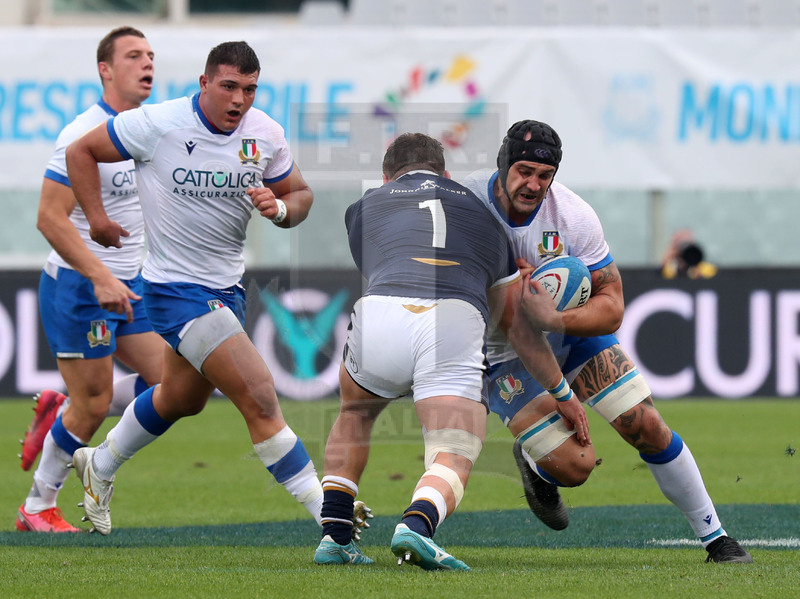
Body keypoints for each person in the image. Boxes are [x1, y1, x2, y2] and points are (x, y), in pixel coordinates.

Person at [63, 41, 325, 536]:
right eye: (228, 87)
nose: (238, 100)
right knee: (261, 397)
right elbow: (82, 151)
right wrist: (96, 218)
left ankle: (100, 463)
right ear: (204, 84)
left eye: (249, 89)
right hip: (173, 290)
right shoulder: (158, 124)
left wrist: (282, 209)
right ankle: (329, 516)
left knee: (182, 399)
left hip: (226, 289)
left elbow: (300, 193)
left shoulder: (264, 134)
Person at [462, 119, 752, 563]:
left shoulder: (573, 216)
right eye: (523, 171)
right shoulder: (467, 209)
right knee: (574, 466)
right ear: (502, 165)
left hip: (566, 338)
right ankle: (537, 465)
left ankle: (716, 538)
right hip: (502, 353)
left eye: (544, 176)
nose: (533, 184)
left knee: (646, 424)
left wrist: (556, 317)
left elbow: (612, 304)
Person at [312, 133, 590, 570]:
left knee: (355, 413)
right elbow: (513, 323)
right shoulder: (482, 212)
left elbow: (379, 262)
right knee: (454, 445)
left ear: (387, 176)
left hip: (382, 310)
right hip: (452, 318)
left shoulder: (366, 203)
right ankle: (416, 526)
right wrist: (563, 393)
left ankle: (335, 539)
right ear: (445, 174)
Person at [17, 26, 164, 534]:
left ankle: (62, 410)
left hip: (132, 284)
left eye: (150, 55)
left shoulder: (148, 129)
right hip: (81, 288)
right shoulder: (80, 135)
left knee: (174, 383)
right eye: (132, 55)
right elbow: (50, 218)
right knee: (95, 404)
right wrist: (100, 276)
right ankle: (36, 508)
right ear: (105, 69)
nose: (146, 63)